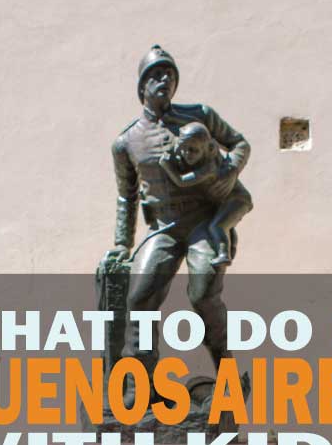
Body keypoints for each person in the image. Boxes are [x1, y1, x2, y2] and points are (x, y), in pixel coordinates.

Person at [107, 45, 252, 403]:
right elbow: (127, 197)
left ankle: (228, 375)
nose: (164, 80)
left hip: (203, 221)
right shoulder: (126, 142)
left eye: (169, 74)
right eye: (155, 75)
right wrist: (122, 245)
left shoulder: (198, 115)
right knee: (140, 299)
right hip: (163, 227)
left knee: (203, 295)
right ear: (141, 86)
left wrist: (231, 169)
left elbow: (238, 143)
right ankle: (143, 387)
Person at [159, 121, 253, 267]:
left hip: (237, 200)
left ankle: (224, 255)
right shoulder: (189, 154)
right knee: (220, 223)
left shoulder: (209, 167)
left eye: (194, 150)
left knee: (217, 226)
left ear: (206, 148)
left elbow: (182, 181)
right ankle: (229, 240)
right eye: (184, 149)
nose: (187, 154)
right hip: (223, 202)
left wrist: (167, 166)